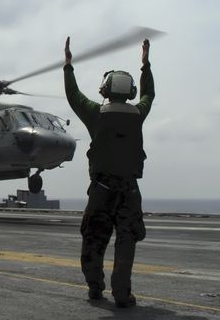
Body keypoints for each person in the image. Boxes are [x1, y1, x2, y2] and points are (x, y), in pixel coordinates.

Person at [63, 37, 154, 307]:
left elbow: (73, 95)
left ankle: (95, 288)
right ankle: (122, 295)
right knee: (126, 243)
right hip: (129, 191)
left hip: (102, 191)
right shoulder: (138, 112)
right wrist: (145, 65)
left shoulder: (95, 113)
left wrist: (68, 66)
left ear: (105, 89)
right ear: (129, 92)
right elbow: (150, 95)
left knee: (94, 240)